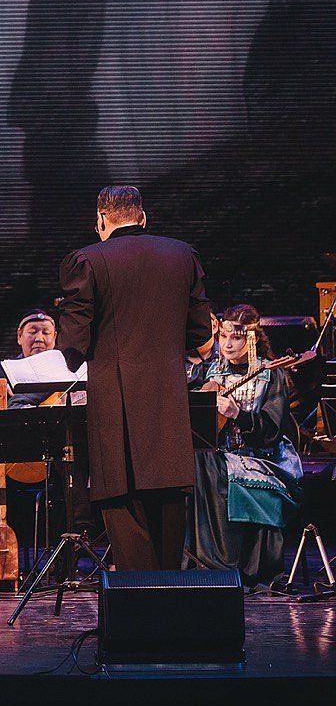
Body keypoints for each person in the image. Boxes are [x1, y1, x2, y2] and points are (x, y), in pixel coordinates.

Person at [58, 185, 214, 571]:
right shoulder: (183, 255)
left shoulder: (86, 261)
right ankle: (168, 605)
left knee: (125, 518)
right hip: (168, 409)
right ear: (143, 217)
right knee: (169, 515)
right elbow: (200, 333)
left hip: (116, 412)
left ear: (100, 219)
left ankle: (138, 604)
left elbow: (73, 345)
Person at [187, 305, 303, 589]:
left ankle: (222, 563)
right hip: (219, 458)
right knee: (196, 460)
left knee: (207, 464)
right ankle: (201, 562)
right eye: (224, 336)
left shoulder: (270, 375)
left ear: (251, 340)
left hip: (264, 459)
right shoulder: (209, 372)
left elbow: (273, 432)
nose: (227, 344)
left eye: (236, 338)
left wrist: (238, 414)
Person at [0, 309, 93, 556]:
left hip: (59, 456)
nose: (39, 338)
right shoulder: (7, 370)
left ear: (55, 337)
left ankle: (68, 553)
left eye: (45, 332)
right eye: (32, 331)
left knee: (69, 476)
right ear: (19, 336)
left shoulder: (69, 368)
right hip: (19, 457)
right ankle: (1, 559)